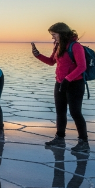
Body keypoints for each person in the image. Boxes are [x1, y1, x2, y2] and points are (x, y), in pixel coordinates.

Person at [31, 22, 89, 152]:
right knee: (60, 112)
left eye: (54, 35)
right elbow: (52, 62)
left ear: (62, 33)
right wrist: (38, 55)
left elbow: (82, 67)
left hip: (75, 84)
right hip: (60, 83)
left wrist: (68, 79)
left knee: (75, 112)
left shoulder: (76, 46)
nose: (53, 38)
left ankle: (84, 142)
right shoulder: (58, 46)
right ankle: (60, 139)